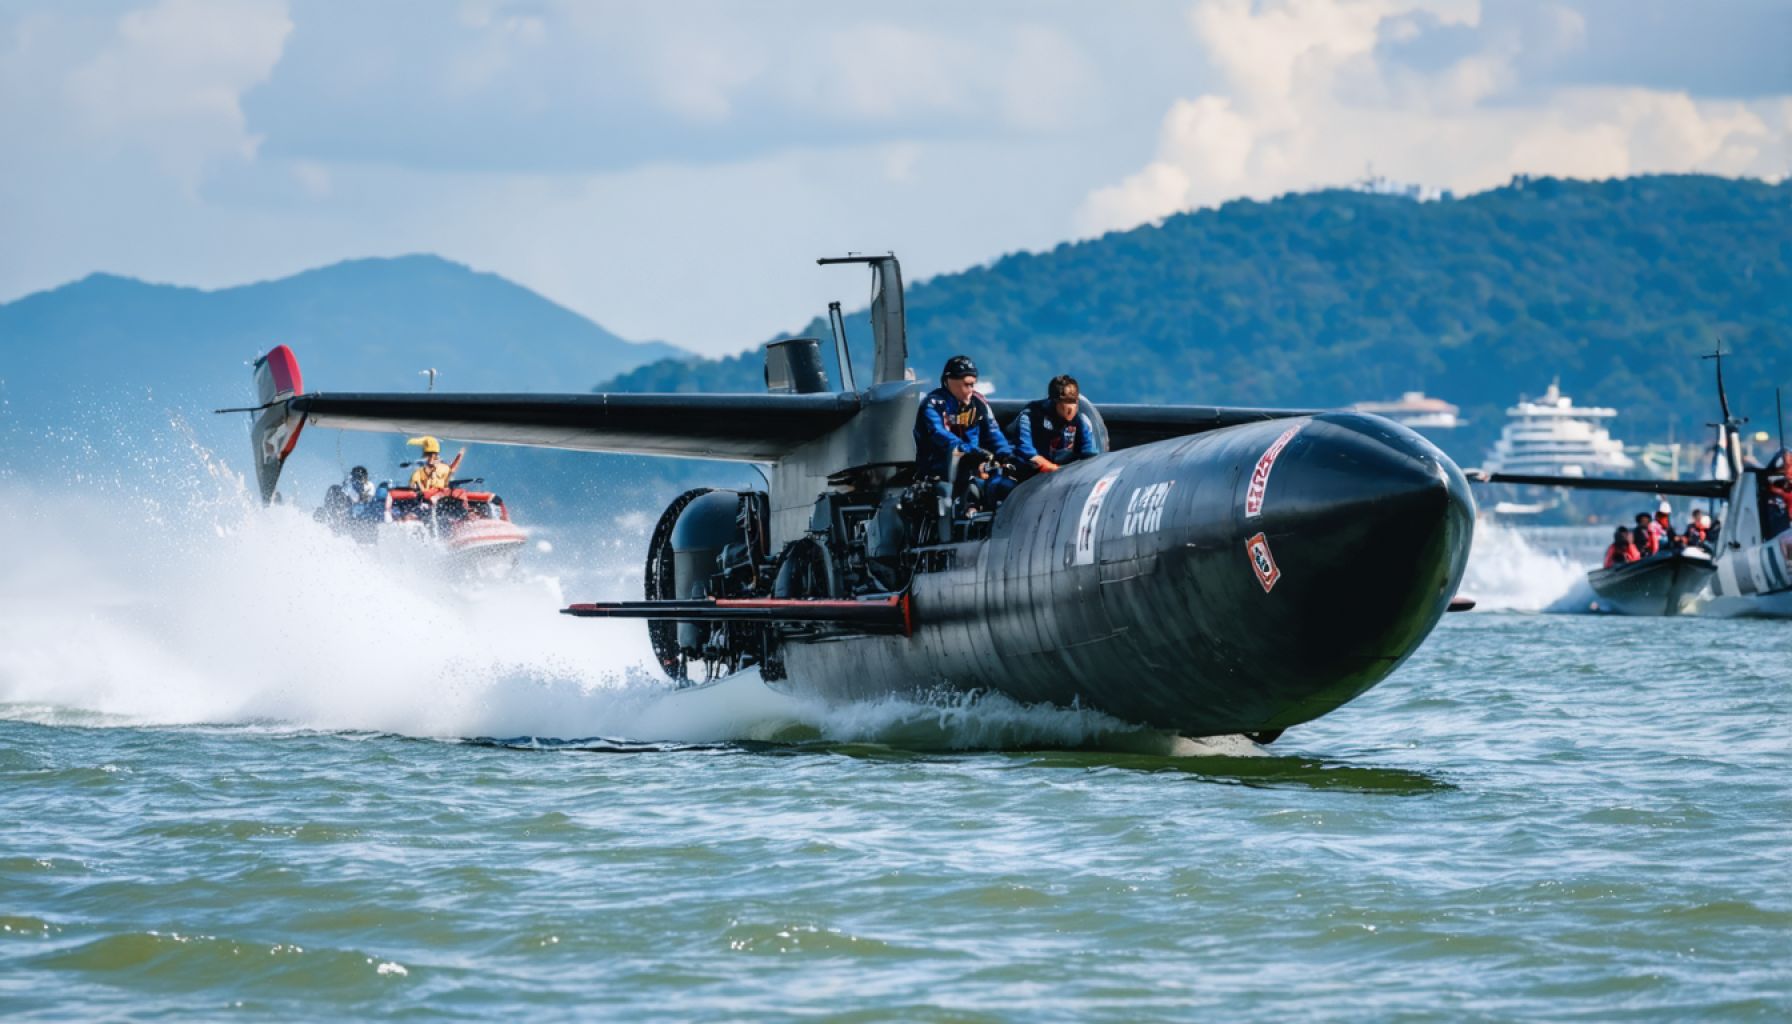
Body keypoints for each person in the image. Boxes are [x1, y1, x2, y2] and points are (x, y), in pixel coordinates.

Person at [913, 355, 1015, 522]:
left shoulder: (979, 403)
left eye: (973, 384)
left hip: (976, 469)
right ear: (949, 381)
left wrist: (1006, 455)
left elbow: (994, 433)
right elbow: (939, 435)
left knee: (1003, 484)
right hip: (940, 473)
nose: (970, 389)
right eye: (966, 384)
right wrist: (970, 451)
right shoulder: (933, 404)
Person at [1015, 374, 1100, 474]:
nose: (1071, 408)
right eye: (1065, 401)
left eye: (1073, 400)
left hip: (1065, 473)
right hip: (1029, 472)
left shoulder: (1082, 421)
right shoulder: (1030, 416)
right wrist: (1050, 467)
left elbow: (1090, 454)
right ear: (1054, 401)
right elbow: (1025, 450)